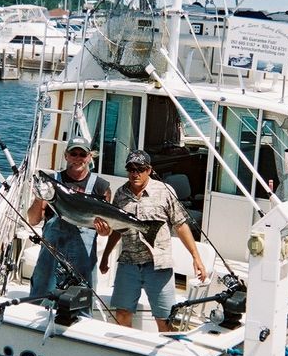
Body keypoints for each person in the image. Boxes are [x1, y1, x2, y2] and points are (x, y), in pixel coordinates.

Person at [97, 150, 206, 332]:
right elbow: (117, 229)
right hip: (128, 263)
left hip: (158, 265)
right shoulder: (120, 194)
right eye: (131, 169)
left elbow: (180, 225)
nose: (135, 174)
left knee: (165, 319)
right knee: (122, 314)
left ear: (149, 170)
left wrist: (196, 257)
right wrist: (106, 255)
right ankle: (127, 347)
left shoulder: (165, 191)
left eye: (140, 169)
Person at [27, 136, 110, 297]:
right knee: (40, 299)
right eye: (73, 154)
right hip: (51, 254)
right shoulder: (52, 182)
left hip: (83, 259)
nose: (78, 158)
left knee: (81, 301)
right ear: (66, 155)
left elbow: (108, 230)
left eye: (82, 154)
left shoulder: (101, 187)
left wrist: (105, 231)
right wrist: (39, 198)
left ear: (89, 157)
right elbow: (33, 220)